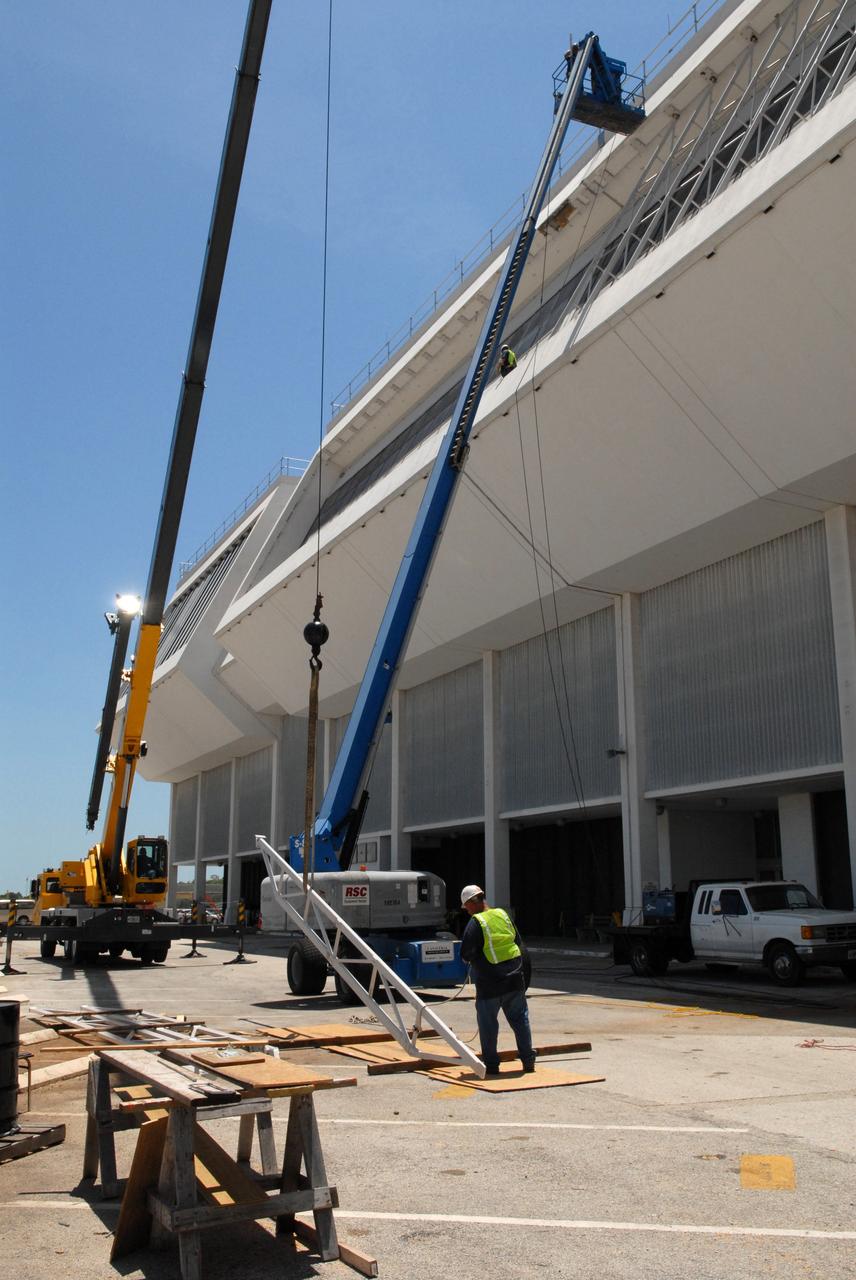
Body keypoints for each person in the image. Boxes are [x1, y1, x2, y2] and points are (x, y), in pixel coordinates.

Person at [459, 884, 535, 1076]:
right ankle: (528, 1062)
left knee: (488, 1025)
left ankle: (492, 1066)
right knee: (520, 1021)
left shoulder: (477, 922)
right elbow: (518, 944)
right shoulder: (503, 915)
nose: (466, 911)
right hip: (514, 980)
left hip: (490, 984)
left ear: (471, 902)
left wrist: (471, 959)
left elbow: (466, 953)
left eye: (466, 907)